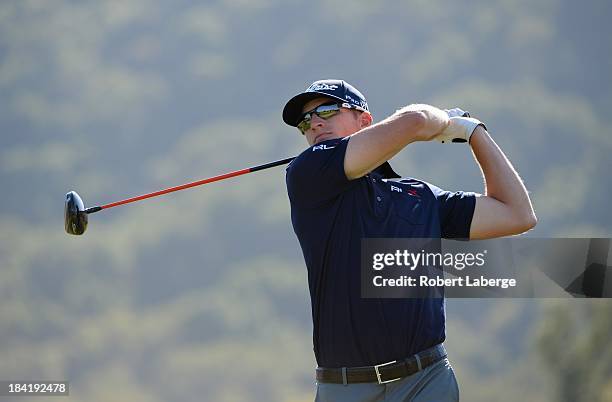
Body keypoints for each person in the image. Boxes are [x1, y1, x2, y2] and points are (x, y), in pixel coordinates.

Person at [282, 79, 536, 402]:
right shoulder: (306, 174)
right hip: (345, 388)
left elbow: (517, 213)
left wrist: (474, 132)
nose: (314, 122)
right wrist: (446, 122)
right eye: (305, 120)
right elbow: (415, 122)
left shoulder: (419, 195)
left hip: (426, 381)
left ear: (365, 121)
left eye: (327, 110)